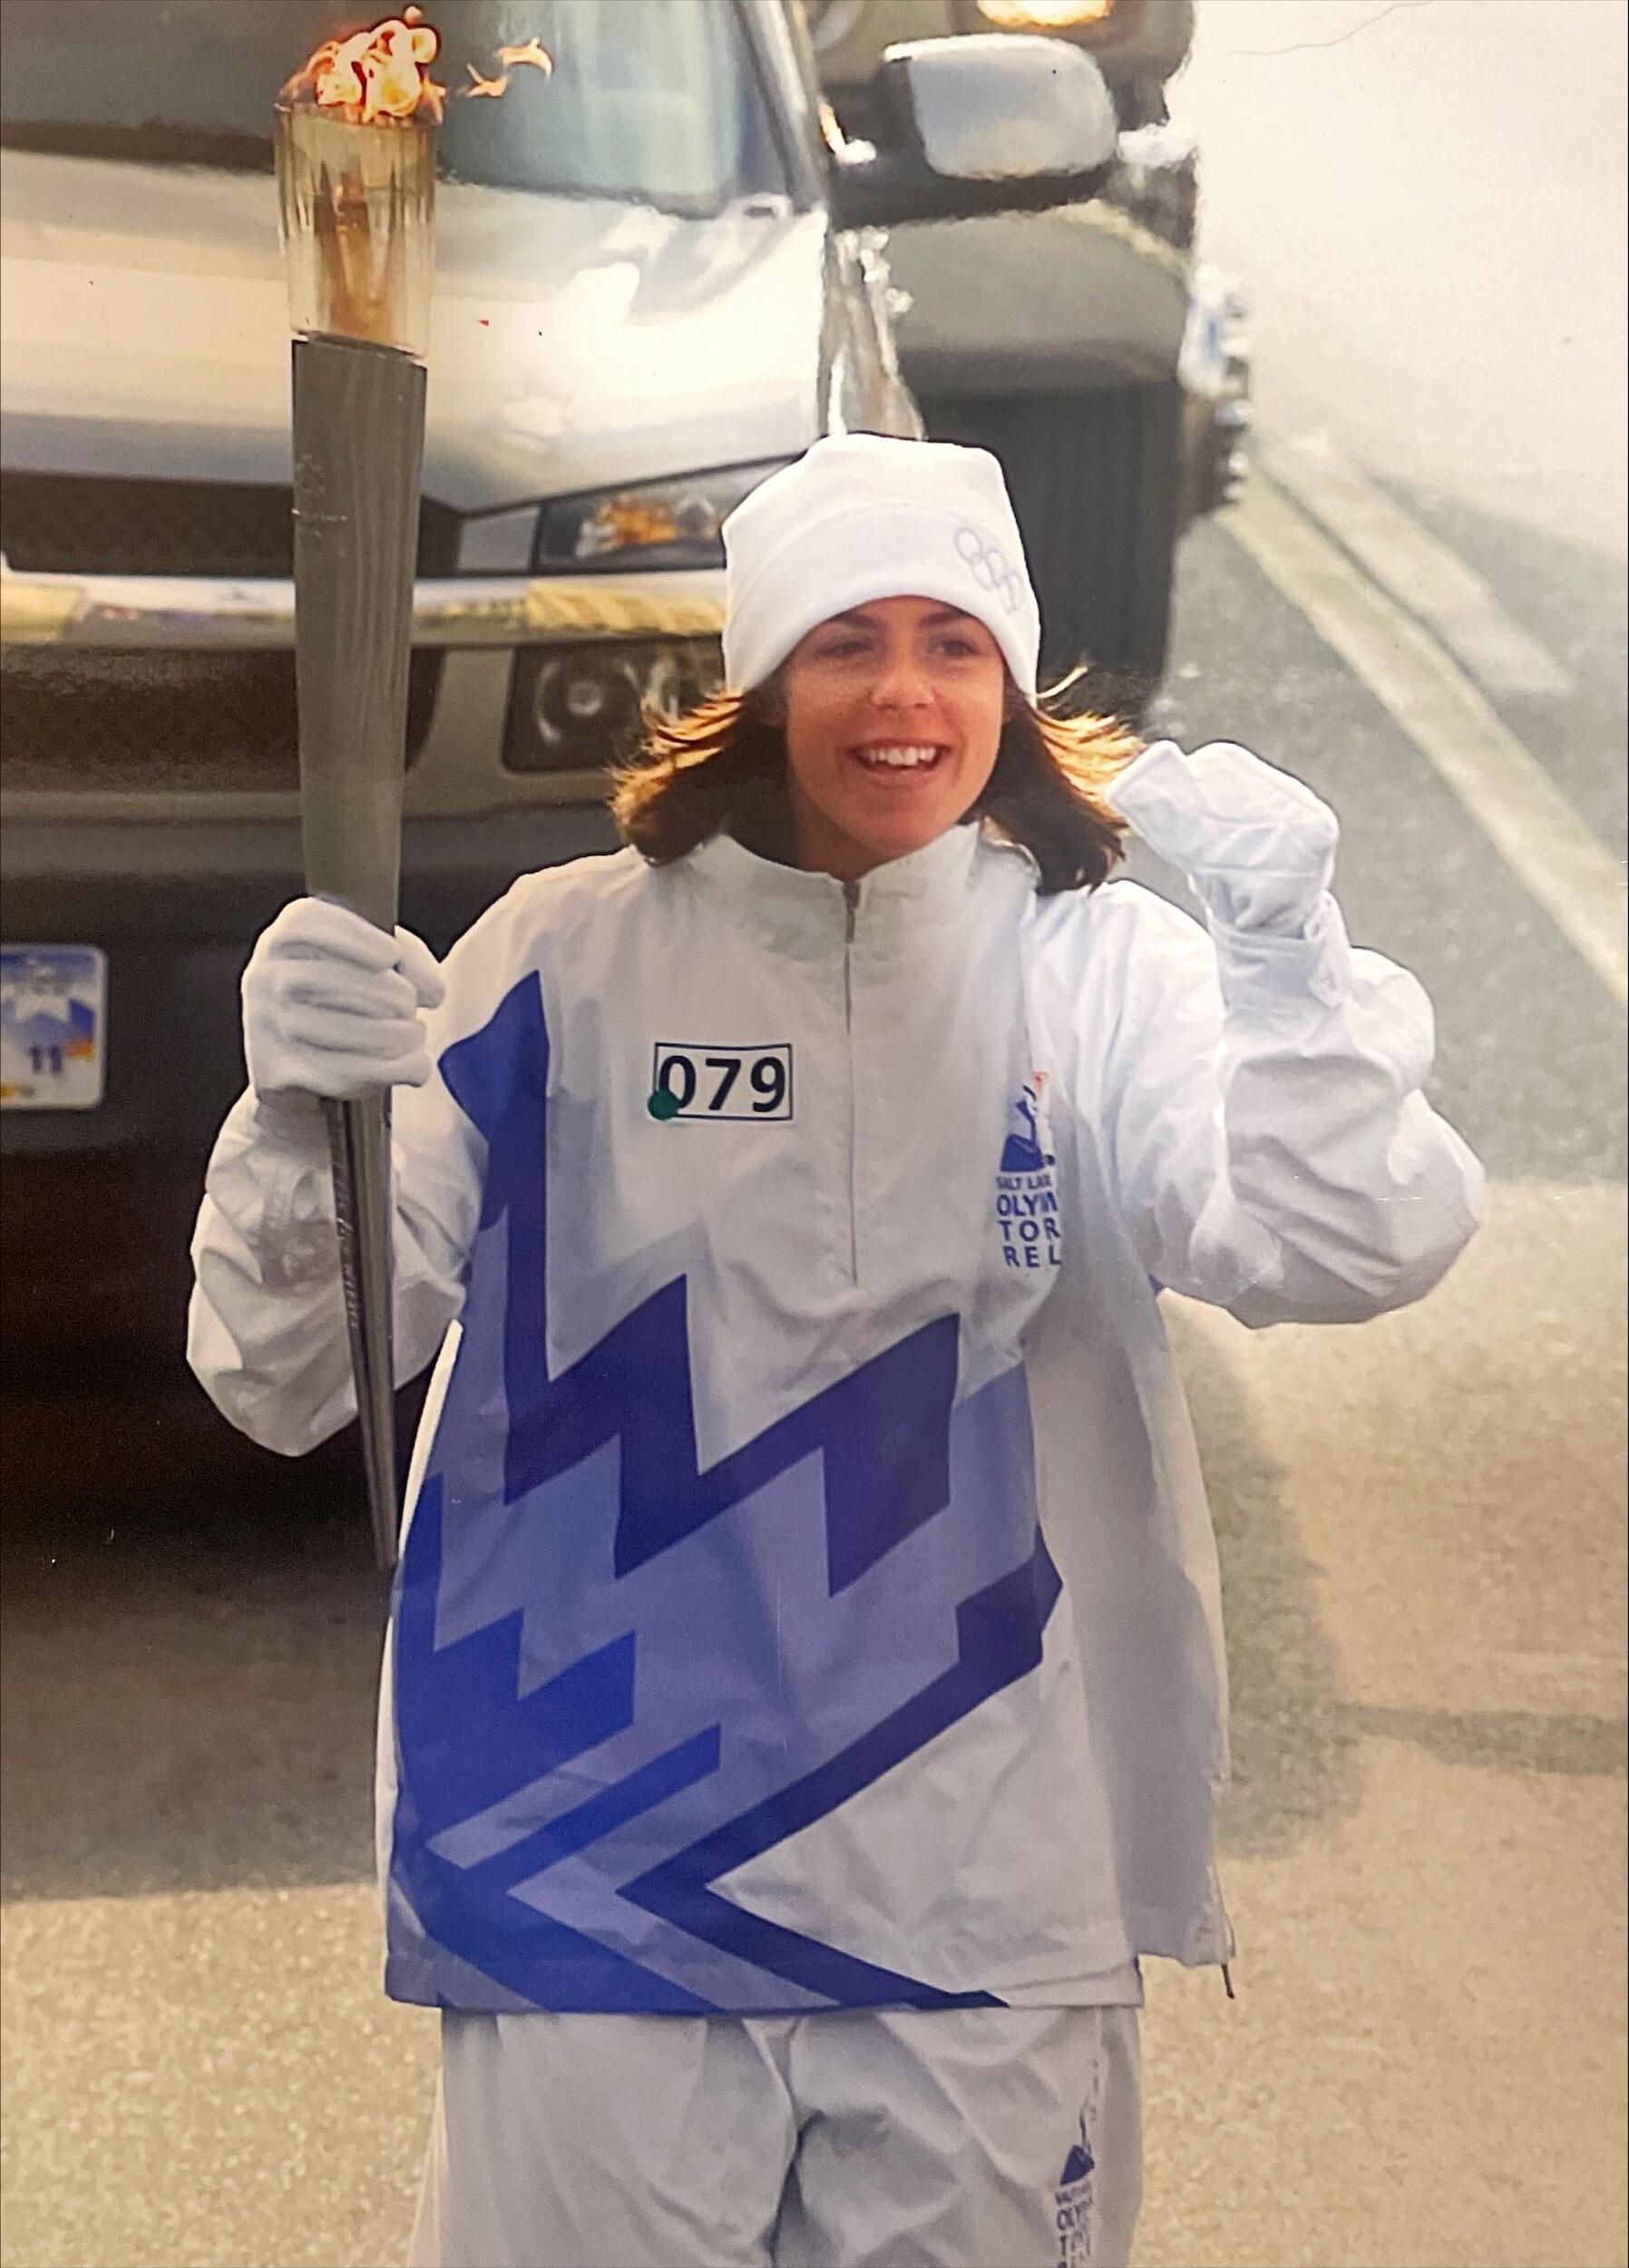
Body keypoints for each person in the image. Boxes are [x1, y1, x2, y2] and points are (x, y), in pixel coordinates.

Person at [187, 434, 1484, 2268]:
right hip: (594, 1870)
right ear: (759, 682)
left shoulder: (1093, 974)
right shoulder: (560, 963)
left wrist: (1288, 976)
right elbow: (289, 1366)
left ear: (1011, 687)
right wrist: (296, 1111)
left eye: (951, 642)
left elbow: (1344, 1241)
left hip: (987, 1886)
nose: (900, 691)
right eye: (843, 640)